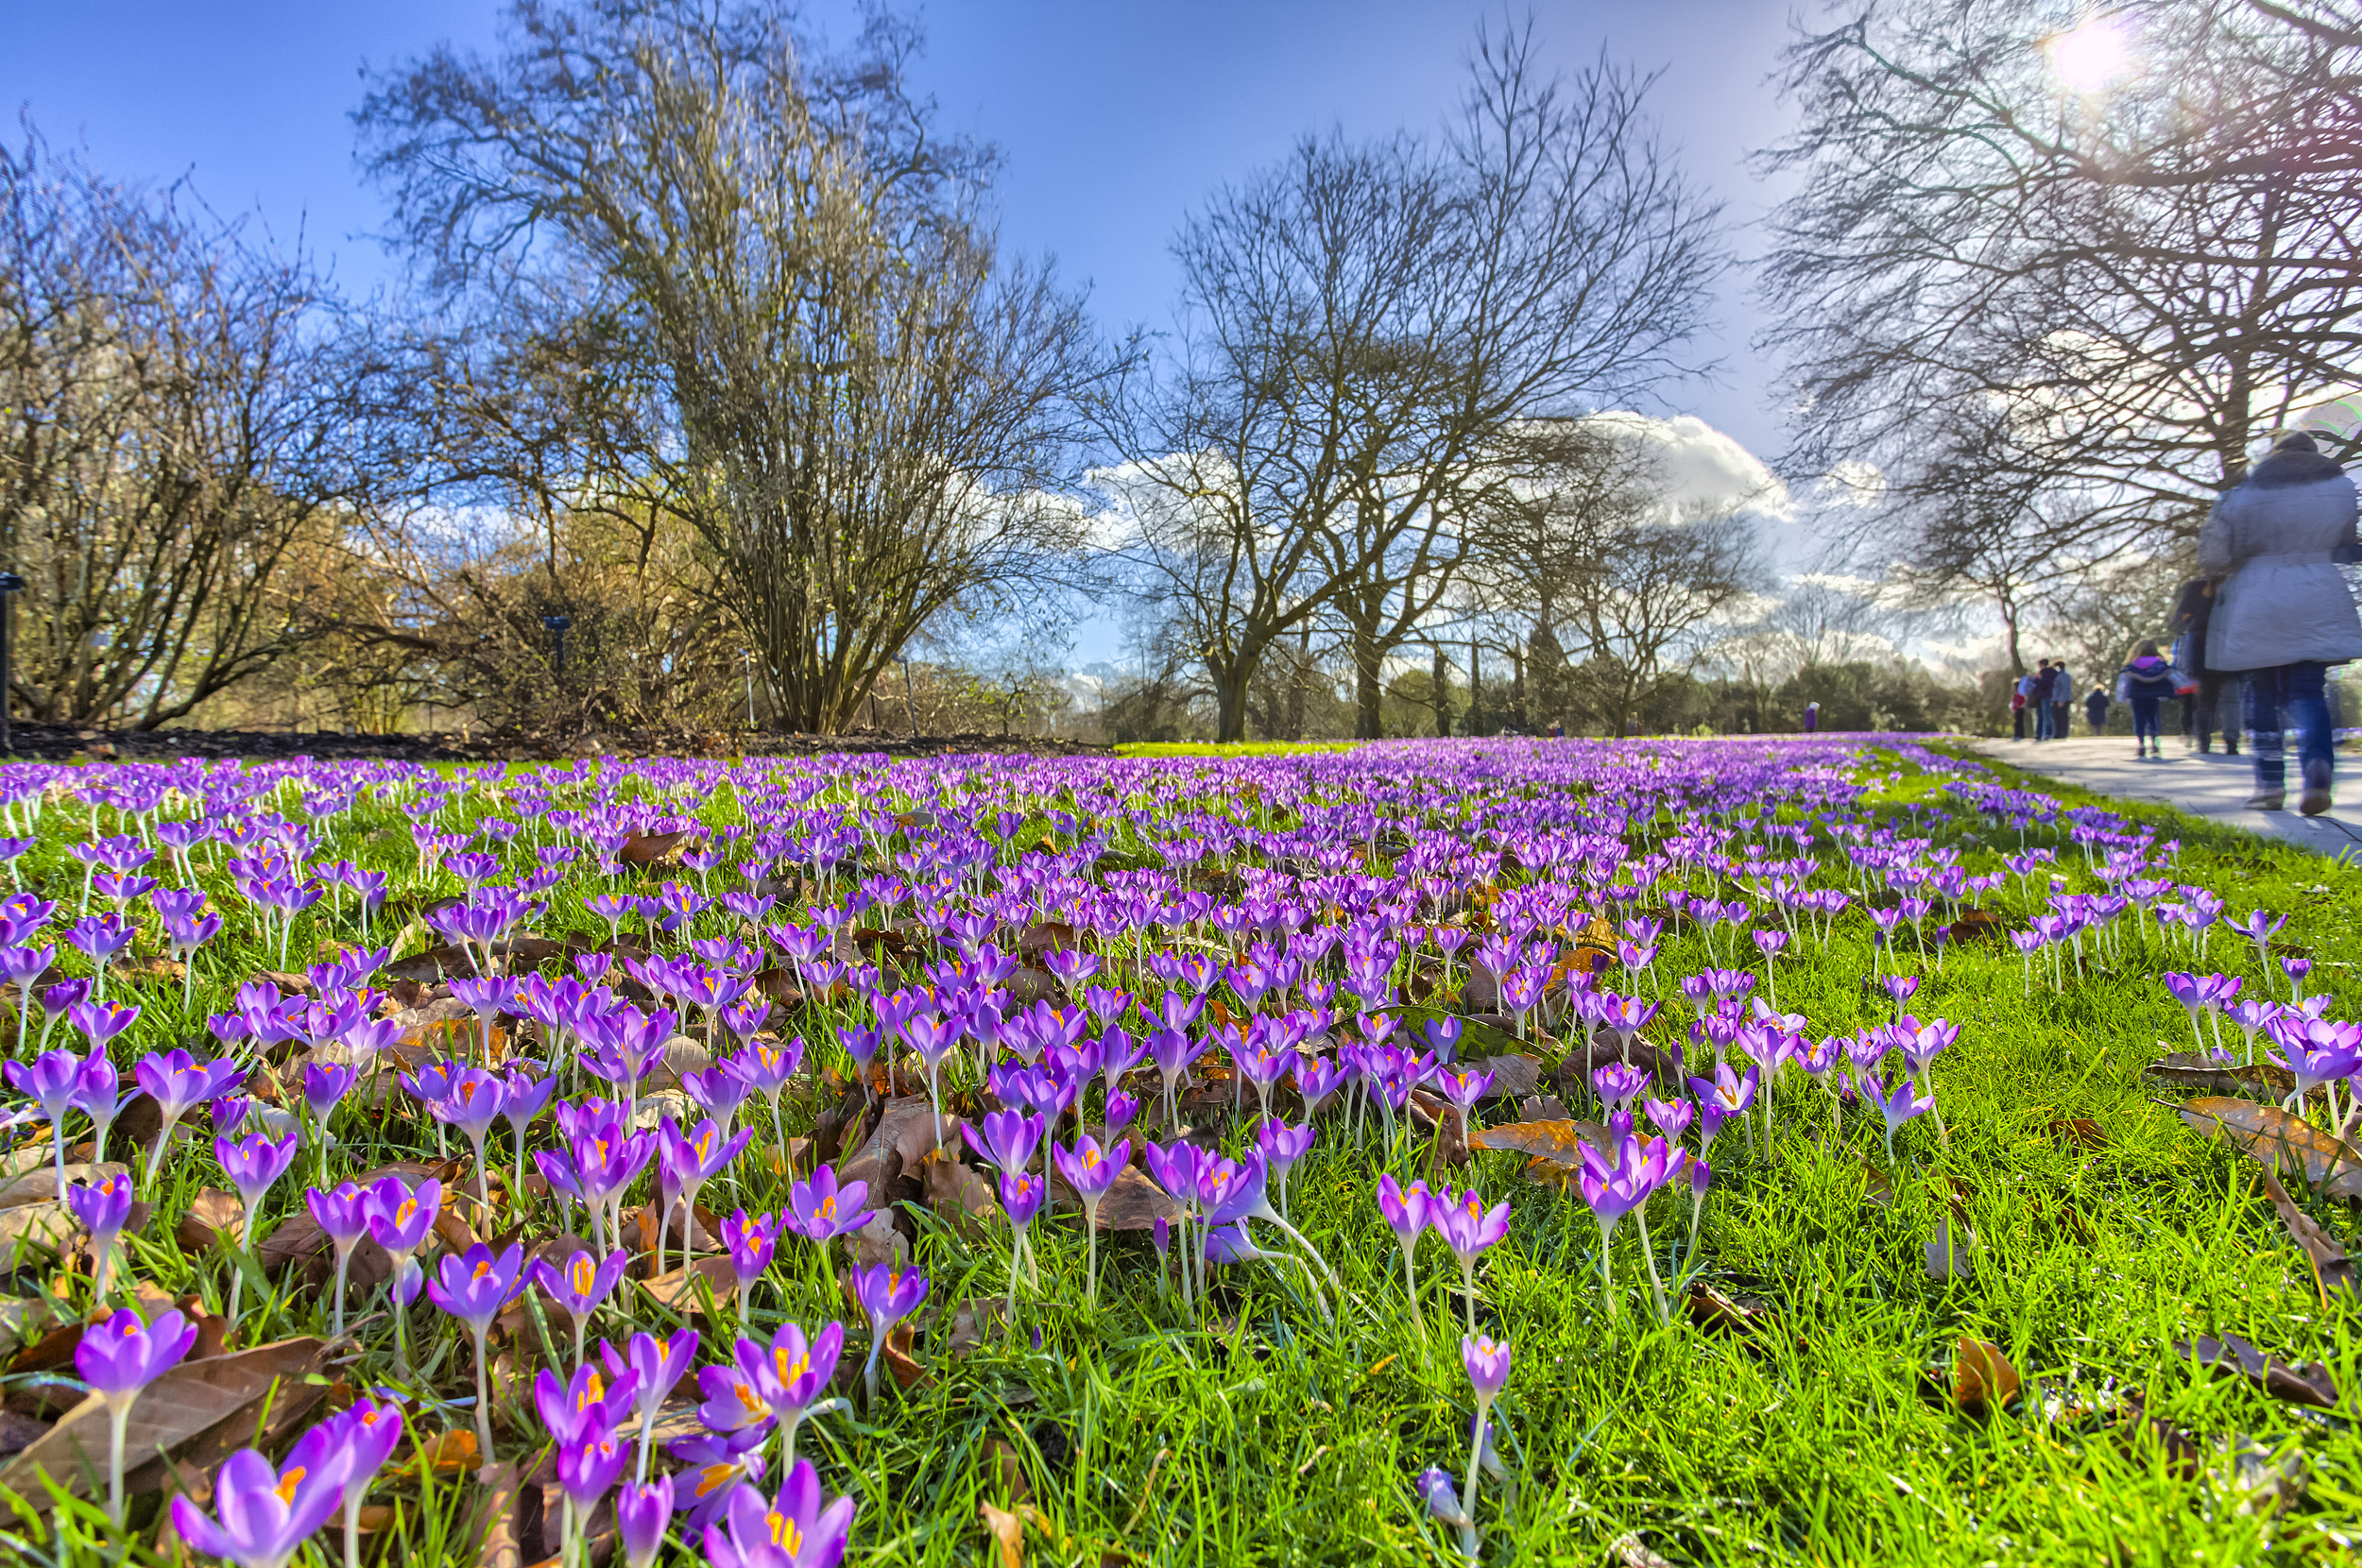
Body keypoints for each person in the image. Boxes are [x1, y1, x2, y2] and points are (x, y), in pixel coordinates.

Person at [2198, 431, 2362, 814]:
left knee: (2262, 691)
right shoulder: (2341, 489)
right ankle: (2318, 772)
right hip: (2318, 589)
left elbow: (2213, 553)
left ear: (2275, 455)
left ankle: (2271, 783)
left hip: (2257, 594)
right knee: (2308, 689)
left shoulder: (2241, 494)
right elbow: (2345, 545)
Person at [2170, 577, 2239, 755]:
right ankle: (2231, 741)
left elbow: (2179, 622)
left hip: (2203, 649)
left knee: (2205, 701)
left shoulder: (2195, 587)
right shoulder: (2234, 584)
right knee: (2230, 700)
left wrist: (2191, 621)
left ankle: (2204, 740)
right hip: (2230, 647)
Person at [2114, 641, 2177, 758]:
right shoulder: (2160, 665)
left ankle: (2141, 744)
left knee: (2139, 719)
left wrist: (2122, 697)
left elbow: (2124, 683)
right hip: (2154, 695)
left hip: (2137, 695)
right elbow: (2172, 678)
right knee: (2153, 718)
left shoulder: (2133, 665)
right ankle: (2154, 742)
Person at [2048, 658, 2074, 741]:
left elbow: (2065, 688)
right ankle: (2057, 733)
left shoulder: (2064, 676)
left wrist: (2061, 700)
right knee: (2056, 717)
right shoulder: (2058, 675)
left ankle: (2063, 733)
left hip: (2062, 700)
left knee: (2062, 717)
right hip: (2056, 699)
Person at [2029, 659, 2055, 740]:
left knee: (2045, 715)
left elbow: (2042, 684)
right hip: (2044, 696)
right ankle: (2041, 733)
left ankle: (2046, 733)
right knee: (2043, 715)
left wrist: (2036, 680)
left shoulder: (2044, 673)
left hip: (2044, 695)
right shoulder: (2052, 672)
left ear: (2042, 665)